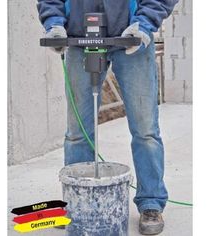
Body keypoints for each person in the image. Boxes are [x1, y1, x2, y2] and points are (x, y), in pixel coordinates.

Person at [37, 0, 178, 235]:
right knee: (77, 132)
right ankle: (76, 201)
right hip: (79, 39)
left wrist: (144, 24)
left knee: (146, 131)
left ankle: (151, 202)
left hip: (132, 36)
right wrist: (54, 23)